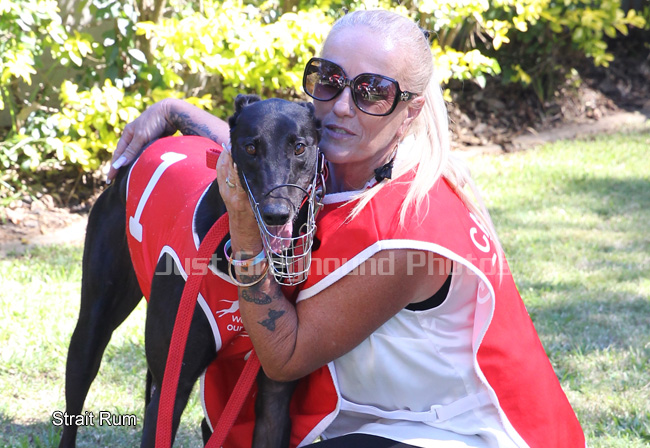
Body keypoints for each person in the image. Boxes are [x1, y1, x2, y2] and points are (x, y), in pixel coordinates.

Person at [109, 9, 585, 448]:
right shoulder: (340, 166)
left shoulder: (408, 225)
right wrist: (174, 111)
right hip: (392, 421)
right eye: (330, 80)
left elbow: (284, 358)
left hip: (460, 431)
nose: (340, 106)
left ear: (410, 110)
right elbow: (261, 139)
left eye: (371, 91)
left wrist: (246, 232)